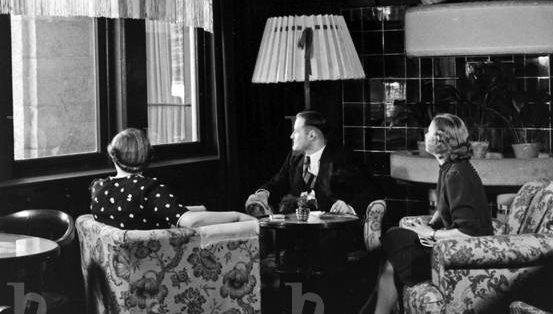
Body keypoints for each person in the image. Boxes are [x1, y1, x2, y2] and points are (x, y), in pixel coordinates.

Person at [341, 113, 493, 314]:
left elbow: (469, 231)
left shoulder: (457, 174)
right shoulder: (448, 169)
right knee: (393, 246)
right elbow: (446, 212)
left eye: (429, 133)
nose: (424, 137)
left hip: (459, 260)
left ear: (442, 141)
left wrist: (429, 232)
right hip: (447, 250)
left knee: (392, 241)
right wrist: (423, 224)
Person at [90, 128, 257, 236]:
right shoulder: (148, 189)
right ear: (148, 158)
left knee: (202, 209)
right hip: (158, 264)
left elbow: (137, 211)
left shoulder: (99, 188)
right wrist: (236, 216)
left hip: (124, 271)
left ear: (113, 155)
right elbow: (190, 221)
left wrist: (199, 209)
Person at [245, 110, 379, 218]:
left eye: (296, 131)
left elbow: (371, 190)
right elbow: (279, 181)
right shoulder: (294, 158)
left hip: (332, 232)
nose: (291, 136)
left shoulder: (342, 157)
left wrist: (349, 207)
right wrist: (263, 193)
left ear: (312, 135)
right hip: (300, 231)